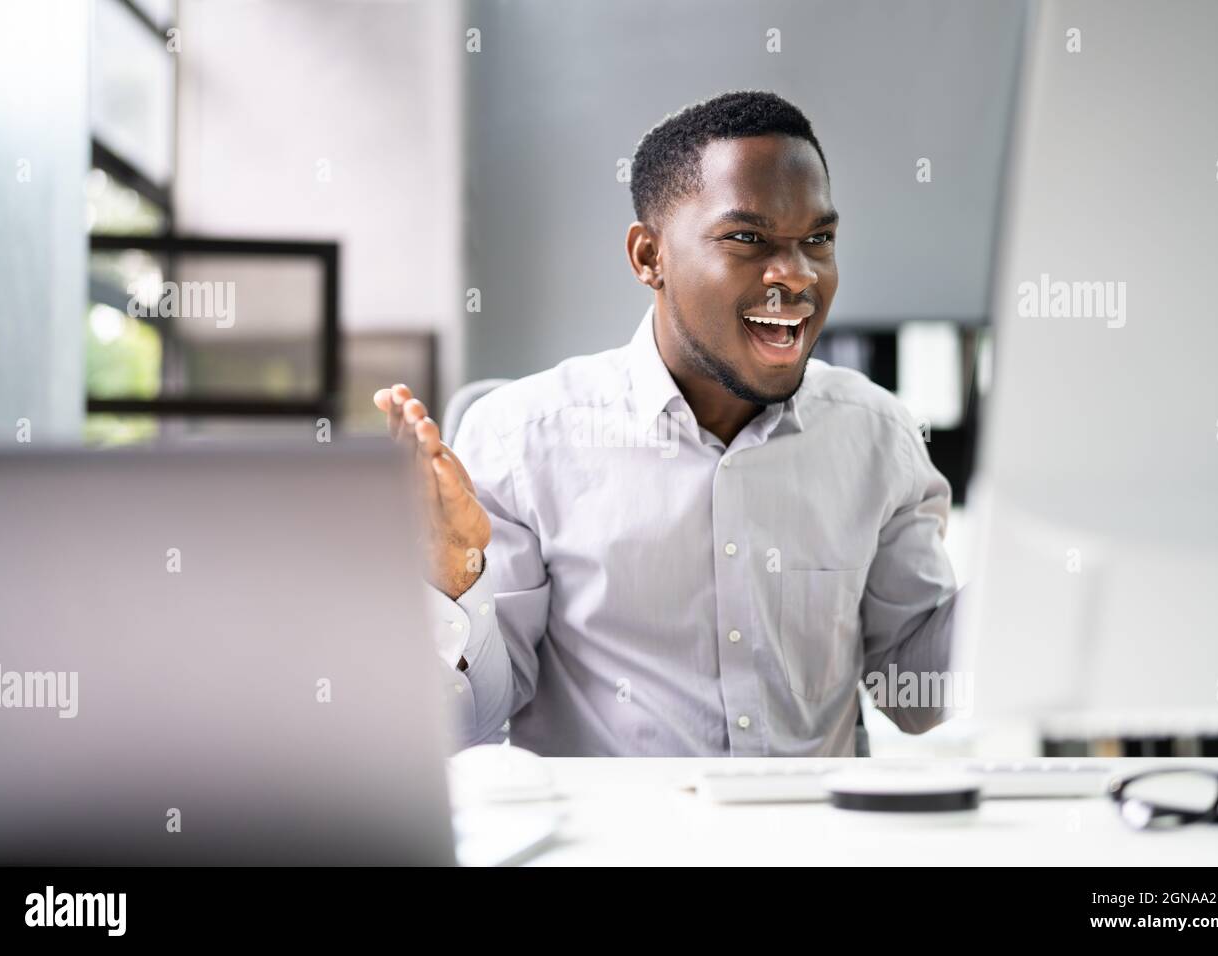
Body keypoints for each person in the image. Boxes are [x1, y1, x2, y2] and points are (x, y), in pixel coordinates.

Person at [373, 91, 960, 756]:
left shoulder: (875, 434)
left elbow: (918, 697)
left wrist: (1027, 570)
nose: (795, 276)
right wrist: (454, 580)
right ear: (649, 256)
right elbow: (468, 728)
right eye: (748, 238)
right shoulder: (521, 439)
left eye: (818, 240)